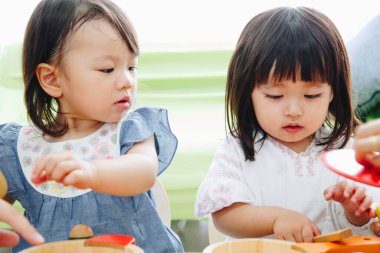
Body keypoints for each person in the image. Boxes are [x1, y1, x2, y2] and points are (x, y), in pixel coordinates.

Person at [0, 0, 183, 252]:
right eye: (107, 69)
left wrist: (93, 172)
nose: (127, 81)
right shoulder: (19, 149)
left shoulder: (131, 129)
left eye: (132, 67)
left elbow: (143, 172)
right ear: (52, 79)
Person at [195, 7, 378, 243]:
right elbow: (223, 214)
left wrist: (355, 213)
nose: (294, 111)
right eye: (274, 96)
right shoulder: (238, 149)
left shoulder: (349, 152)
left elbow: (370, 227)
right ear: (248, 92)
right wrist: (275, 219)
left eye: (312, 96)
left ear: (332, 92)